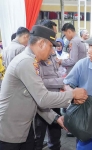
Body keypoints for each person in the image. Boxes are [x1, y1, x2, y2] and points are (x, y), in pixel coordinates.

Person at [0, 25, 88, 150]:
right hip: (11, 131)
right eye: (50, 46)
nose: (52, 51)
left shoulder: (32, 62)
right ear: (41, 43)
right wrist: (73, 95)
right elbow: (43, 98)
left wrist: (56, 118)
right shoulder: (25, 62)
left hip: (23, 129)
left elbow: (36, 100)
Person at [34, 20, 67, 150]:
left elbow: (55, 72)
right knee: (39, 137)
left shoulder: (51, 50)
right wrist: (61, 82)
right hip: (42, 102)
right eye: (53, 32)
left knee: (55, 136)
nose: (55, 35)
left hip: (55, 99)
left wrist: (62, 83)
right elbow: (39, 81)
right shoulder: (37, 55)